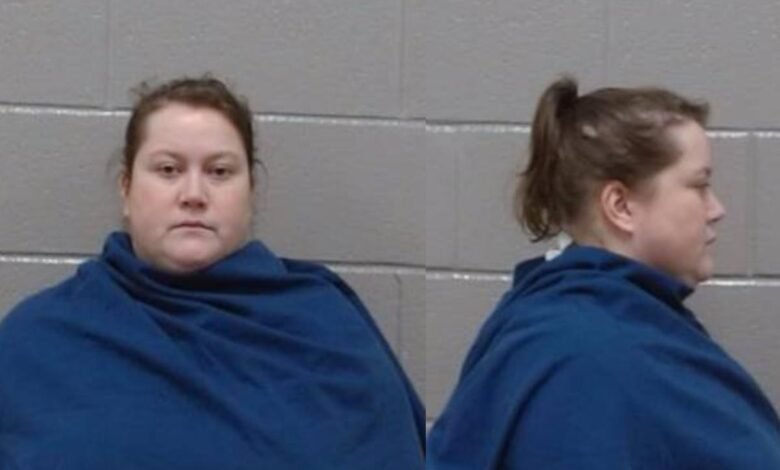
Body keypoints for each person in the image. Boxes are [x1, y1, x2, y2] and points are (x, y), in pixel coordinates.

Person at [0, 76, 424, 469]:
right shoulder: (38, 340)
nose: (194, 194)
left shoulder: (327, 332)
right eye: (168, 170)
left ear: (251, 192)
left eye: (219, 172)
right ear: (126, 189)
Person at [427, 76, 780, 468]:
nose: (716, 209)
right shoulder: (587, 354)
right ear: (621, 206)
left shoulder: (619, 323)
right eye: (699, 186)